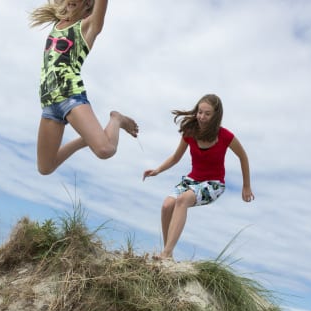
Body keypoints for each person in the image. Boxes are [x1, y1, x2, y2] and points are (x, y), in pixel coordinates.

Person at [29, 0, 139, 175]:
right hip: (49, 102)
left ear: (88, 4)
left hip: (71, 95)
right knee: (45, 167)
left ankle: (116, 119)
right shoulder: (59, 22)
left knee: (105, 150)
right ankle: (85, 139)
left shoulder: (88, 26)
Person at [142, 94, 255, 260]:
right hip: (192, 180)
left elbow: (243, 156)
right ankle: (169, 252)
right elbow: (175, 157)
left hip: (213, 184)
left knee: (182, 200)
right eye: (200, 112)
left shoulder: (225, 136)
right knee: (167, 205)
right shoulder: (190, 132)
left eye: (207, 114)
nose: (202, 117)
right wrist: (157, 170)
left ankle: (165, 254)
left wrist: (246, 186)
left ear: (215, 116)